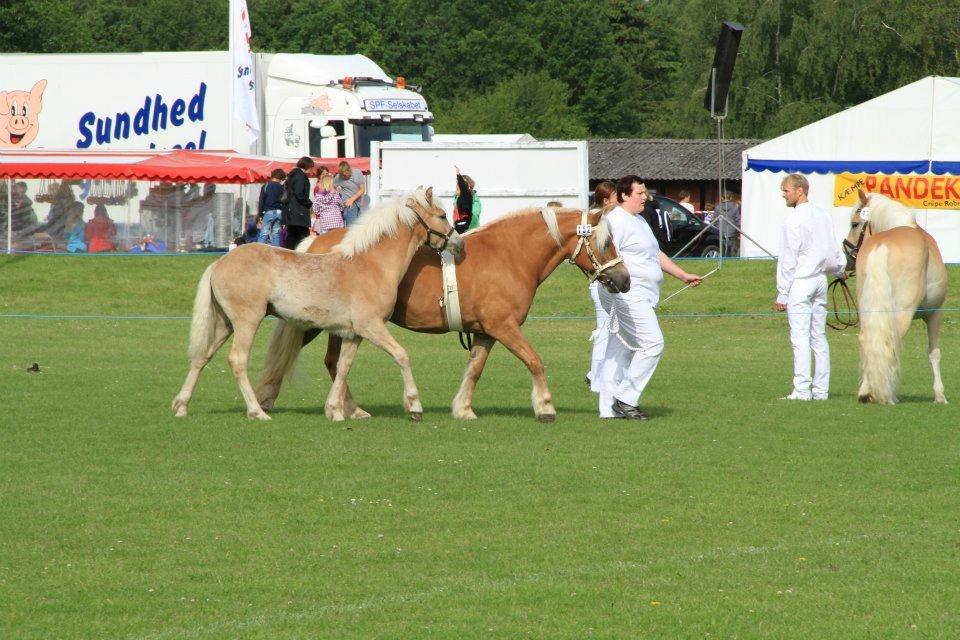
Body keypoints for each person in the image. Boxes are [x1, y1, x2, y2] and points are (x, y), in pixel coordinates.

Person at [596, 175, 702, 420]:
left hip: (644, 294)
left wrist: (682, 275)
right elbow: (606, 257)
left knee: (619, 349)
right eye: (640, 193)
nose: (645, 197)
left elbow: (656, 253)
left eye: (645, 193)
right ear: (624, 195)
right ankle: (625, 399)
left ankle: (608, 410)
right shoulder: (615, 221)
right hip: (628, 293)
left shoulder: (640, 220)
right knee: (653, 343)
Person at [775, 173, 847, 401]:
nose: (783, 194)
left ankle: (802, 390)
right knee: (818, 336)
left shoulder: (793, 221)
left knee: (800, 337)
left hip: (802, 281)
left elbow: (788, 260)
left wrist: (782, 293)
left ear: (800, 191)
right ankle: (821, 390)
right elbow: (832, 249)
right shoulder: (823, 215)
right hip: (820, 279)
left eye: (786, 190)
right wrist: (839, 268)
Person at [585, 180, 617, 389]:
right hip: (602, 284)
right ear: (606, 200)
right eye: (615, 197)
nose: (619, 200)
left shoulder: (601, 218)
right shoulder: (601, 221)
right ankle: (595, 379)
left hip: (603, 283)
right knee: (604, 330)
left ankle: (595, 374)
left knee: (607, 330)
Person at [282, 156, 315, 249]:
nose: (311, 170)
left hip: (292, 210)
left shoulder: (293, 175)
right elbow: (299, 193)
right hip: (298, 210)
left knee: (292, 235)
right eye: (311, 167)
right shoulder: (300, 176)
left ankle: (288, 255)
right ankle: (305, 254)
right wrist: (309, 204)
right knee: (304, 236)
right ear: (307, 166)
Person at [257, 168, 286, 245]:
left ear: (272, 175)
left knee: (264, 233)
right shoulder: (282, 187)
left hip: (269, 212)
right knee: (276, 234)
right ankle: (277, 252)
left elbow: (261, 201)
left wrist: (260, 215)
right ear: (281, 178)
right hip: (279, 212)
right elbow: (284, 201)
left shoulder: (266, 186)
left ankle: (260, 251)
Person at [333, 160, 365, 227]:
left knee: (359, 226)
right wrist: (338, 196)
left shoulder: (357, 173)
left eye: (344, 175)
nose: (343, 177)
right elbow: (332, 188)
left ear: (349, 170)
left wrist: (352, 199)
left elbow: (362, 189)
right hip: (348, 205)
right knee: (351, 228)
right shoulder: (338, 177)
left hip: (359, 203)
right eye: (342, 175)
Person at [453, 166, 481, 233]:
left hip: (471, 232)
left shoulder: (475, 199)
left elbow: (475, 214)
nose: (457, 186)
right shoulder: (457, 198)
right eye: (457, 184)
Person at [715, 190, 742, 255]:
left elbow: (714, 220)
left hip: (720, 231)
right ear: (731, 198)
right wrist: (738, 230)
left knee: (721, 250)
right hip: (732, 232)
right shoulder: (735, 207)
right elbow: (738, 221)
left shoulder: (717, 207)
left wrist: (716, 228)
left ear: (721, 198)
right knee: (732, 252)